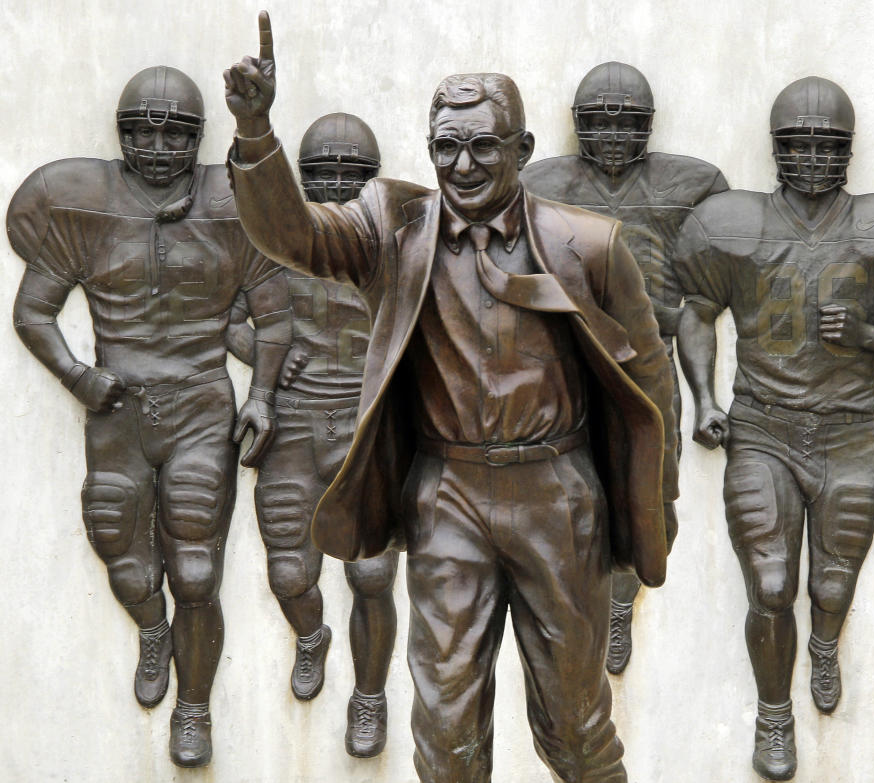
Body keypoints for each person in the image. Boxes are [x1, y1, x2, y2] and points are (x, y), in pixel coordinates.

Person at [223, 13, 678, 783]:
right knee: (445, 735)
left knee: (573, 729)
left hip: (557, 497)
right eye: (445, 147)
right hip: (448, 500)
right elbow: (292, 236)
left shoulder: (590, 245)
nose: (462, 165)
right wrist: (257, 132)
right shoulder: (391, 227)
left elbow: (649, 384)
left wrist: (649, 516)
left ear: (524, 150)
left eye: (483, 146)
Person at [7, 66, 289, 768]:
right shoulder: (85, 211)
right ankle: (151, 626)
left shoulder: (234, 208)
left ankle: (193, 708)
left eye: (175, 132)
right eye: (143, 129)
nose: (159, 145)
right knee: (120, 549)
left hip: (199, 403)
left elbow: (277, 316)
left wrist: (260, 396)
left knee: (197, 567)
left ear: (199, 138)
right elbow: (32, 310)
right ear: (121, 134)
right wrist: (78, 375)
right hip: (118, 406)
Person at [675, 76, 874, 780]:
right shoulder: (734, 225)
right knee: (768, 585)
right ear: (777, 148)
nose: (813, 158)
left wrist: (866, 333)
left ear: (848, 152)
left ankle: (822, 643)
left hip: (847, 432)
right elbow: (698, 311)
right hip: (762, 428)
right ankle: (774, 714)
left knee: (829, 589)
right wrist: (703, 398)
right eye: (799, 144)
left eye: (827, 146)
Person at [521, 61, 727, 673]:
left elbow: (705, 294)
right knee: (560, 489)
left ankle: (621, 598)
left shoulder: (691, 184)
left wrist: (703, 389)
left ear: (647, 126)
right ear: (577, 125)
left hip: (646, 359)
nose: (612, 135)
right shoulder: (543, 182)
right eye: (599, 122)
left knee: (649, 490)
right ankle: (576, 603)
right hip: (568, 356)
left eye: (626, 123)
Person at [226, 112, 398, 757]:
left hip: (364, 421)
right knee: (290, 573)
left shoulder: (399, 246)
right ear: (300, 180)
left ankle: (370, 696)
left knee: (374, 576)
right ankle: (311, 635)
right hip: (294, 423)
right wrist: (258, 349)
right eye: (320, 176)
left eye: (348, 177)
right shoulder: (270, 240)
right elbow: (224, 316)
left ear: (370, 181)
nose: (332, 188)